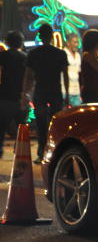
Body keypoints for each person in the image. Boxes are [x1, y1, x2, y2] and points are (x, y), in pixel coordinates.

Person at [22, 24, 69, 163]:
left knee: (41, 124)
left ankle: (41, 153)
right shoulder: (60, 53)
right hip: (55, 90)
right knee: (55, 123)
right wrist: (66, 94)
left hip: (40, 91)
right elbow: (65, 75)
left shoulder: (33, 53)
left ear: (40, 36)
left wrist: (25, 93)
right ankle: (56, 153)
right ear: (51, 35)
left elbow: (28, 75)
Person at [0, 31, 27, 159]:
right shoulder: (25, 57)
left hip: (4, 97)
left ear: (7, 42)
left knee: (1, 129)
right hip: (20, 97)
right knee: (21, 130)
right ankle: (21, 155)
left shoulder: (3, 56)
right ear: (20, 43)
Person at [63, 33, 82, 107]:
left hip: (76, 91)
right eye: (74, 42)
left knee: (77, 115)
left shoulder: (78, 55)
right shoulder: (63, 54)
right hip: (65, 91)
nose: (77, 44)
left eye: (77, 42)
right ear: (68, 43)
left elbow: (79, 72)